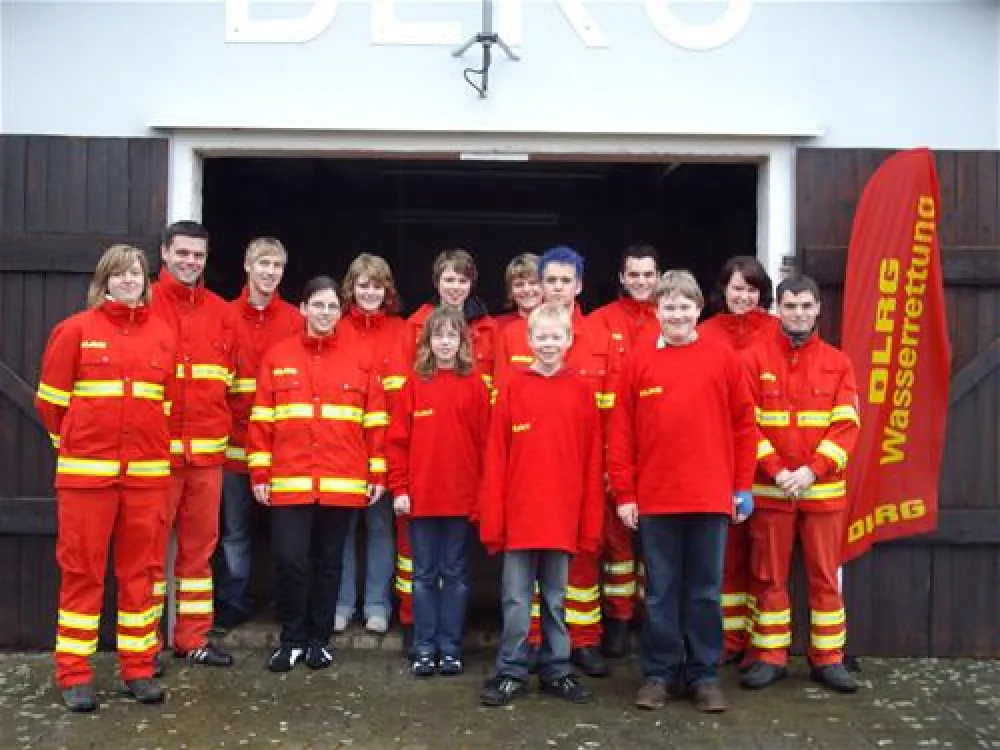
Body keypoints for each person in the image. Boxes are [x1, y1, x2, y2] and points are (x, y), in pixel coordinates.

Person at [607, 269, 757, 714]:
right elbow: (620, 433)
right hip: (656, 500)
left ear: (699, 310)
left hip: (711, 498)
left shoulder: (723, 359)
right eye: (668, 307)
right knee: (659, 592)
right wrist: (626, 494)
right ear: (657, 310)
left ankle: (704, 676)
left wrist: (742, 488)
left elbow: (744, 427)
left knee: (705, 592)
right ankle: (658, 675)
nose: (676, 315)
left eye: (684, 307)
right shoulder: (638, 362)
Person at [35, 244, 176, 711]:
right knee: (82, 575)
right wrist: (76, 448)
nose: (130, 280)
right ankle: (74, 673)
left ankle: (138, 669)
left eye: (137, 273)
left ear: (146, 280)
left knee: (142, 576)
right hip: (86, 481)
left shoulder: (162, 334)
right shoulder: (75, 331)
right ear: (104, 281)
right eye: (120, 274)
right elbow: (51, 404)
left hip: (146, 479)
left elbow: (167, 405)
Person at [248, 276, 388, 672]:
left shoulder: (361, 356)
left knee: (329, 563)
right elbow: (261, 420)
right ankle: (291, 638)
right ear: (304, 309)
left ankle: (318, 640)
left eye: (332, 307)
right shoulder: (278, 356)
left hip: (342, 480)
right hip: (290, 479)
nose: (325, 313)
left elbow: (375, 420)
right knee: (290, 560)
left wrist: (376, 472)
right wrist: (260, 472)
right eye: (318, 305)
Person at [496, 245, 621, 678]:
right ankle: (530, 645)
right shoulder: (512, 335)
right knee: (528, 581)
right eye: (550, 280)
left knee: (578, 568)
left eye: (565, 281)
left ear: (579, 286)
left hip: (581, 471)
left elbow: (609, 413)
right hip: (530, 475)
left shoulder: (602, 336)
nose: (557, 288)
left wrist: (608, 470)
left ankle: (580, 643)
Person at [740, 274, 861, 694]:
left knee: (825, 577)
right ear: (777, 309)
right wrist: (775, 470)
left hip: (822, 492)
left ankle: (828, 658)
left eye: (806, 306)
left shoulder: (838, 361)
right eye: (790, 307)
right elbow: (745, 425)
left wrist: (812, 471)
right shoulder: (752, 359)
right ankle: (770, 656)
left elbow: (847, 425)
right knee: (768, 577)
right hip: (771, 491)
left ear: (818, 309)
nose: (798, 314)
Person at [479, 303, 604, 707]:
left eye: (556, 337)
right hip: (520, 516)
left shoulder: (583, 391)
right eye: (541, 337)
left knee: (555, 598)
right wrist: (494, 519)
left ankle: (557, 669)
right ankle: (511, 669)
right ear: (529, 341)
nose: (548, 344)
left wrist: (589, 522)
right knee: (515, 599)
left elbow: (591, 462)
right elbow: (496, 457)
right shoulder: (512, 388)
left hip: (563, 516)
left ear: (568, 340)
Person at [385, 249, 497, 650]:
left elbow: (487, 446)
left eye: (453, 336)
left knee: (456, 574)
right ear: (428, 341)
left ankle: (449, 647)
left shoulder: (475, 388)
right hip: (419, 499)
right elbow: (396, 442)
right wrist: (399, 489)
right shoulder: (413, 386)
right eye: (439, 336)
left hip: (461, 499)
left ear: (463, 340)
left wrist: (483, 495)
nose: (446, 342)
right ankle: (424, 645)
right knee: (422, 574)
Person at [149, 221, 236, 670]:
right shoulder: (144, 302)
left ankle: (192, 638)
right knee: (147, 554)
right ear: (165, 253)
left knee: (199, 553)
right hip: (156, 456)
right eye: (182, 253)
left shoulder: (221, 312)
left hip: (205, 455)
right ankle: (142, 648)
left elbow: (234, 384)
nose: (190, 262)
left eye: (198, 255)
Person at [696, 255, 779, 666]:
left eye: (751, 289)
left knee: (764, 562)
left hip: (770, 466)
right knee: (724, 561)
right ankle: (727, 640)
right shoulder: (705, 333)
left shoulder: (777, 332)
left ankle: (760, 642)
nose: (743, 296)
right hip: (718, 460)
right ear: (722, 291)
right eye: (736, 288)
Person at [216, 237, 300, 632]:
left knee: (289, 538)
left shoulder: (295, 321)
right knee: (236, 532)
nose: (270, 272)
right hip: (234, 446)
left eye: (277, 265)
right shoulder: (224, 316)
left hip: (286, 451)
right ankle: (235, 601)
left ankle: (287, 602)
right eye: (263, 263)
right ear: (247, 265)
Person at [588, 243, 662, 658]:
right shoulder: (599, 322)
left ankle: (650, 617)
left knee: (656, 543)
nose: (640, 282)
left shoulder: (670, 320)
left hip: (656, 452)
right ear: (621, 277)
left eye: (647, 275)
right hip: (610, 450)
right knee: (614, 542)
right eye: (633, 274)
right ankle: (617, 617)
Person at [334, 253, 406, 636]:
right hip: (343, 446)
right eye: (363, 285)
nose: (370, 292)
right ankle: (343, 603)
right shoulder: (337, 328)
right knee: (342, 530)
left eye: (377, 285)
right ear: (351, 288)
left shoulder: (403, 331)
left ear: (387, 289)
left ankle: (377, 603)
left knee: (380, 528)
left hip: (388, 445)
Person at [494, 253, 542, 330]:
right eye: (519, 285)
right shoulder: (496, 326)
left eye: (533, 283)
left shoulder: (563, 322)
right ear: (510, 291)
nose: (526, 290)